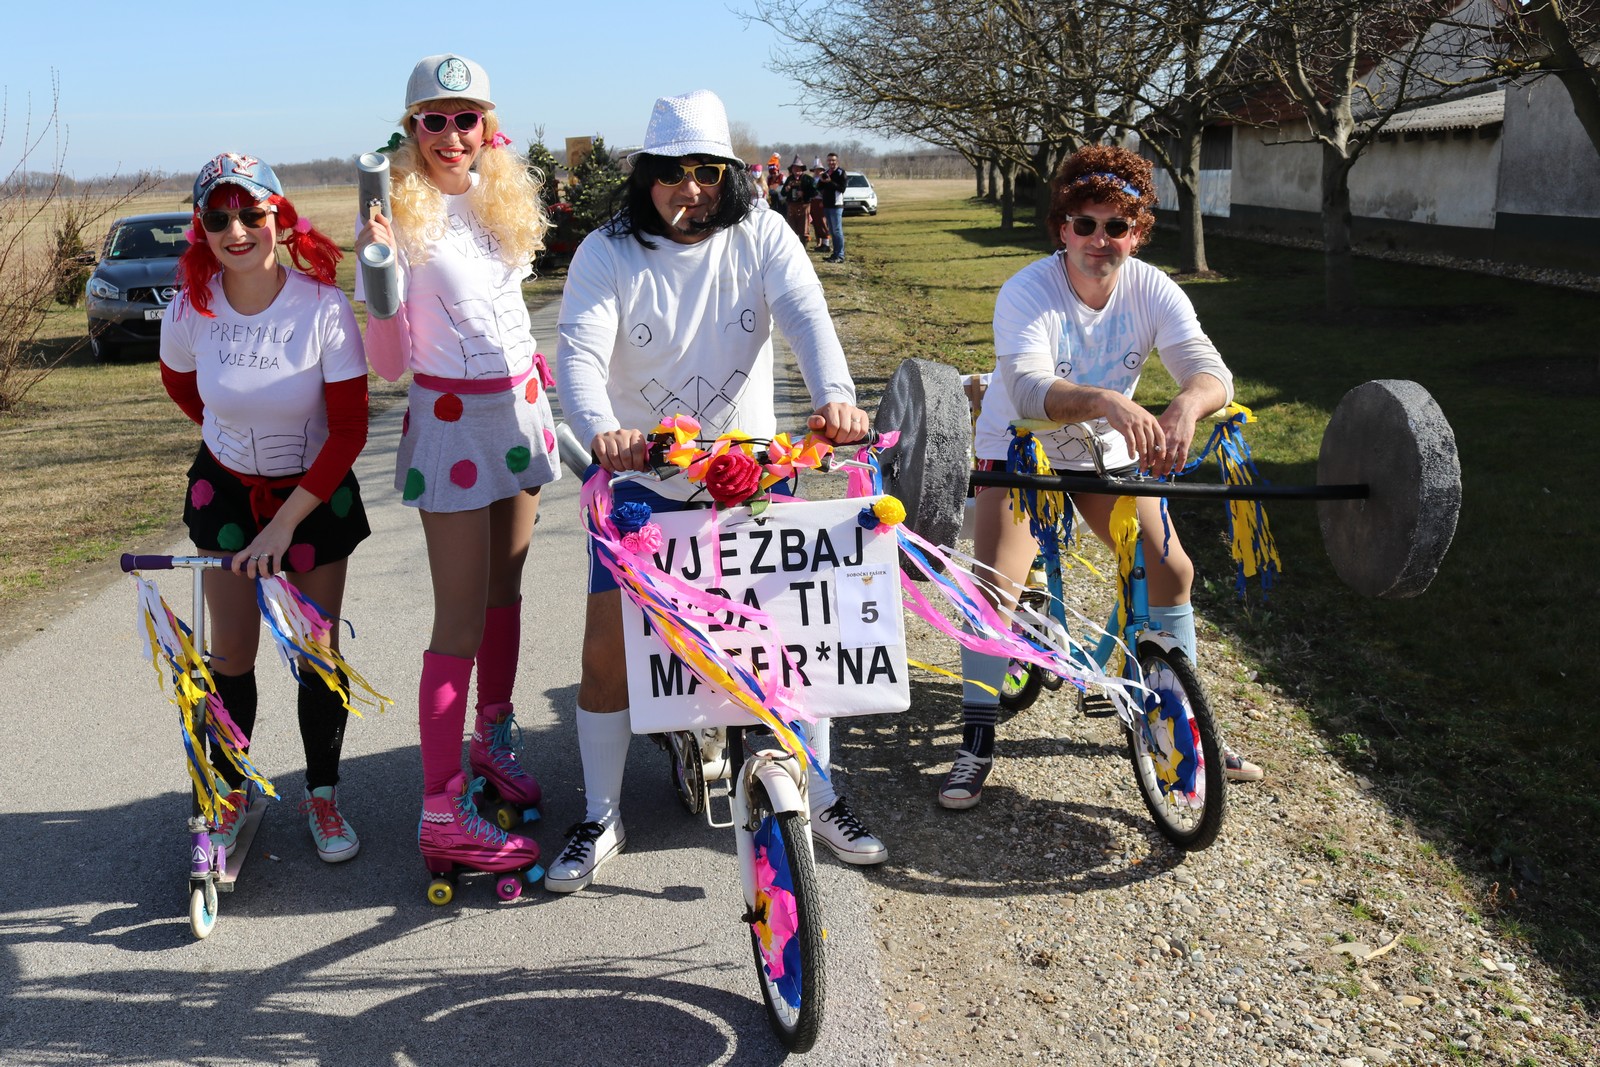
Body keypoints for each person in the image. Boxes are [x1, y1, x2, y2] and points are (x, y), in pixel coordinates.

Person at [552, 89, 888, 892]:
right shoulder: (607, 250)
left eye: (706, 171)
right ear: (646, 177)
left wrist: (834, 396)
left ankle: (822, 789)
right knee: (609, 651)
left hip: (751, 475)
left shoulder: (762, 232)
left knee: (792, 640)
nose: (689, 188)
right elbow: (579, 354)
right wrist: (604, 429)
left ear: (730, 175)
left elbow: (807, 318)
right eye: (670, 172)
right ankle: (601, 810)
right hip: (645, 480)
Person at [941, 144, 1263, 811]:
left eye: (1117, 227)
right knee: (995, 585)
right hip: (1022, 446)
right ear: (1062, 227)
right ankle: (976, 737)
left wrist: (1186, 404)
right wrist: (1107, 399)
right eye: (1085, 224)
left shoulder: (1151, 289)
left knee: (1172, 572)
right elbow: (1028, 389)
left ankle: (1182, 717)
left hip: (1099, 454)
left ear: (1138, 233)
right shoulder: (1029, 290)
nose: (1099, 240)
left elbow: (1212, 370)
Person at [355, 53, 559, 879]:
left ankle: (495, 739)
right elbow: (390, 364)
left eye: (464, 118)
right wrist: (374, 279)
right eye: (432, 120)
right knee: (459, 619)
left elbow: (507, 307)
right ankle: (442, 809)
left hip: (519, 410)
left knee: (508, 591)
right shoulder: (396, 217)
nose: (450, 135)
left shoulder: (502, 197)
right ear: (411, 130)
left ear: (486, 124)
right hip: (449, 422)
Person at [160, 152, 371, 862]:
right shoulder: (192, 306)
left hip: (313, 492)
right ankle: (231, 791)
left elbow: (349, 431)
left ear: (280, 217)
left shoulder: (322, 306)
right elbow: (186, 391)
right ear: (203, 229)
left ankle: (323, 794)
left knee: (318, 652)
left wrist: (285, 519)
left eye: (252, 213)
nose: (237, 230)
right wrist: (239, 447)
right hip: (225, 490)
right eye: (218, 217)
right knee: (232, 653)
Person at [780, 156, 816, 244]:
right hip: (791, 206)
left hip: (804, 206)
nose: (796, 171)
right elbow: (782, 193)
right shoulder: (789, 179)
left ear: (802, 169)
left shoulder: (808, 179)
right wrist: (786, 189)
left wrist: (804, 193)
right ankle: (793, 246)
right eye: (794, 169)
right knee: (791, 228)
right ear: (792, 170)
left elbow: (815, 192)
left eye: (798, 169)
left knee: (803, 228)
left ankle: (803, 246)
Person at [819, 152, 848, 263]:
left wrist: (830, 181)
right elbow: (819, 187)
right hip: (827, 205)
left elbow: (842, 188)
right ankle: (835, 254)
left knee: (837, 230)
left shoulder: (841, 173)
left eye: (833, 160)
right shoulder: (826, 173)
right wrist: (821, 180)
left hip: (836, 205)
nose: (831, 162)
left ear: (837, 161)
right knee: (831, 231)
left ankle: (840, 255)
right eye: (829, 160)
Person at [808, 162, 829, 253]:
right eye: (816, 170)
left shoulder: (823, 179)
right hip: (813, 201)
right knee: (816, 222)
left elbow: (825, 191)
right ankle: (819, 243)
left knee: (822, 222)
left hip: (820, 201)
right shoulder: (812, 179)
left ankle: (826, 243)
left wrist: (824, 201)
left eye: (819, 170)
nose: (817, 171)